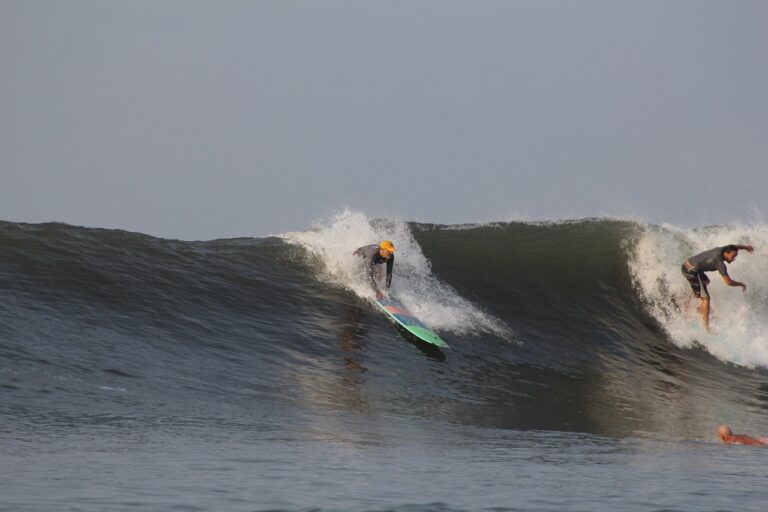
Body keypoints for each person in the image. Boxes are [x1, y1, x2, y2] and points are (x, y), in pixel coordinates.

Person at [681, 244, 754, 331]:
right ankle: (706, 326)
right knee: (706, 298)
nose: (733, 259)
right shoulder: (720, 264)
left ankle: (689, 303)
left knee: (706, 282)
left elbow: (733, 246)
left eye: (735, 257)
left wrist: (746, 248)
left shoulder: (721, 250)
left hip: (688, 265)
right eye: (732, 256)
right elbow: (728, 282)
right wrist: (741, 284)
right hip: (691, 271)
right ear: (726, 253)